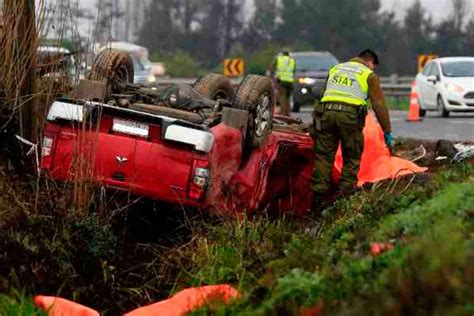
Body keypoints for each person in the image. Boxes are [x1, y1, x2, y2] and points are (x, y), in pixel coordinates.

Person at [312, 49, 392, 207]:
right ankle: (343, 196)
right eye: (373, 67)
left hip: (326, 114)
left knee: (324, 156)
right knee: (351, 156)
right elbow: (379, 105)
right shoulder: (368, 74)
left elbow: (322, 95)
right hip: (350, 117)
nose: (372, 69)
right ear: (370, 62)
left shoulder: (336, 68)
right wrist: (387, 131)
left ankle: (318, 197)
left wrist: (315, 123)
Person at [272, 48, 296, 116]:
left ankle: (283, 112)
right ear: (288, 54)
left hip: (282, 81)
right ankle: (287, 112)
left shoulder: (279, 59)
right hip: (290, 81)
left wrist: (276, 75)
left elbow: (273, 68)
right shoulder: (292, 60)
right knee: (288, 97)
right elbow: (294, 70)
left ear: (283, 54)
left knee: (282, 97)